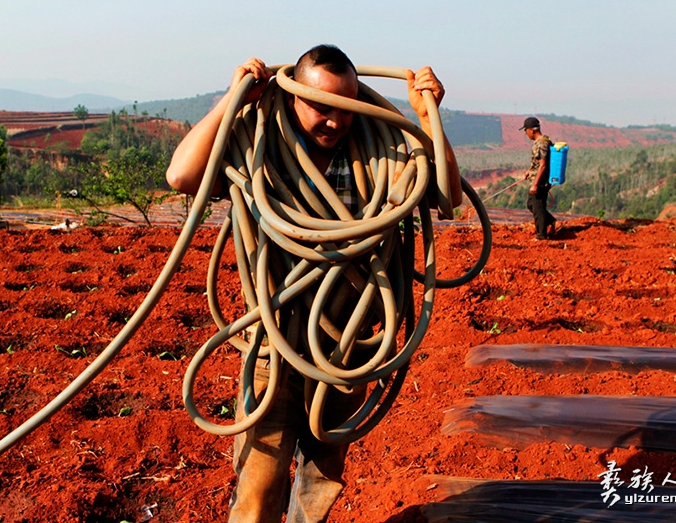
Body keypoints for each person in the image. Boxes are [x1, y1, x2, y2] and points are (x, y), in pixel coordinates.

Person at [166, 45, 461, 523]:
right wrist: (233, 100)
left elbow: (445, 197)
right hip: (271, 343)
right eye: (321, 106)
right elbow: (182, 175)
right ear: (294, 95)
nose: (335, 120)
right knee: (259, 484)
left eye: (345, 107)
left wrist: (429, 118)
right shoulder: (260, 139)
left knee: (321, 481)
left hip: (346, 346)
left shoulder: (382, 145)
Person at [520, 116, 557, 240]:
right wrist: (529, 172)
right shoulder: (542, 142)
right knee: (531, 204)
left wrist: (535, 184)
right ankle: (551, 221)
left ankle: (541, 235)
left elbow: (543, 165)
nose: (526, 134)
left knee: (538, 208)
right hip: (537, 178)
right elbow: (537, 164)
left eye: (526, 131)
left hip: (540, 181)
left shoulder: (541, 143)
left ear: (531, 130)